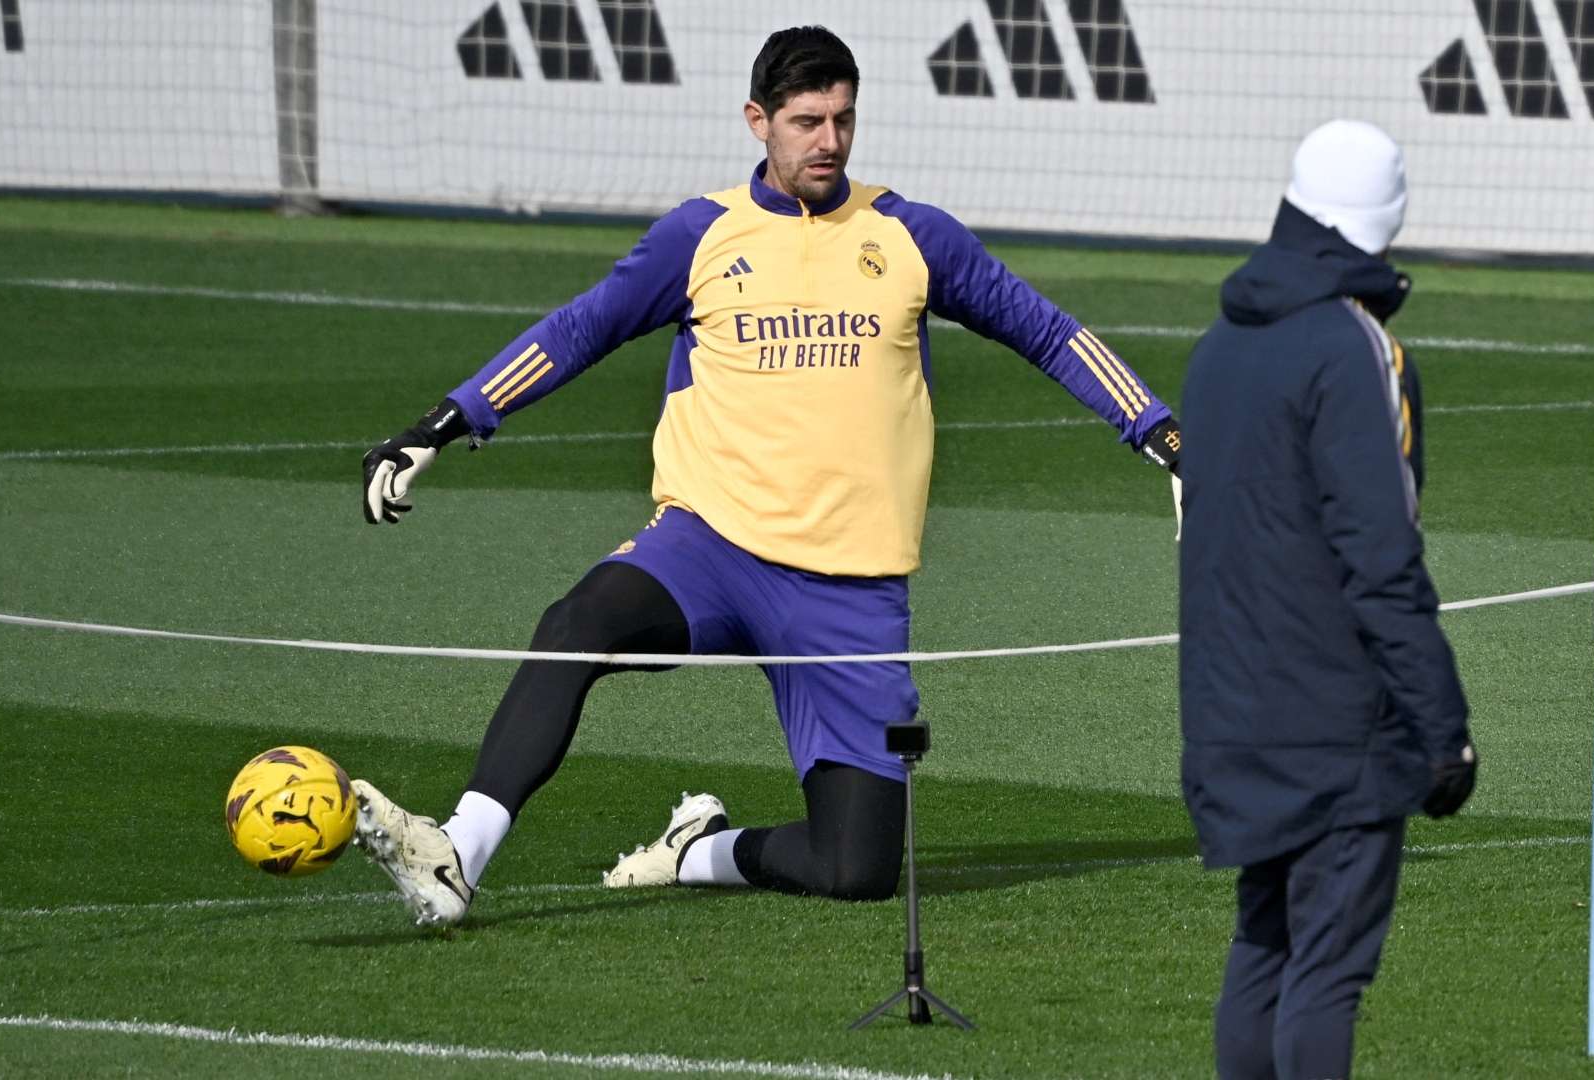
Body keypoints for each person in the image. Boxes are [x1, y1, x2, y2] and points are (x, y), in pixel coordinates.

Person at [349, 25, 1182, 927]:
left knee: (856, 868)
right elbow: (580, 329)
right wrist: (446, 422)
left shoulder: (908, 234)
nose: (828, 141)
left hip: (850, 588)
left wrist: (1164, 435)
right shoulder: (700, 235)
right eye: (806, 120)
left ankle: (695, 851)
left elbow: (1047, 330)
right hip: (711, 543)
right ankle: (456, 853)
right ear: (759, 121)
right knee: (578, 623)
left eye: (843, 119)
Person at [1177, 119, 1480, 1079]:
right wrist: (1443, 731)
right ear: (1387, 219)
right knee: (1325, 978)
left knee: (1262, 952)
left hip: (1233, 715)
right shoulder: (1356, 351)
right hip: (1336, 727)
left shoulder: (1219, 345)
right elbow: (1383, 559)